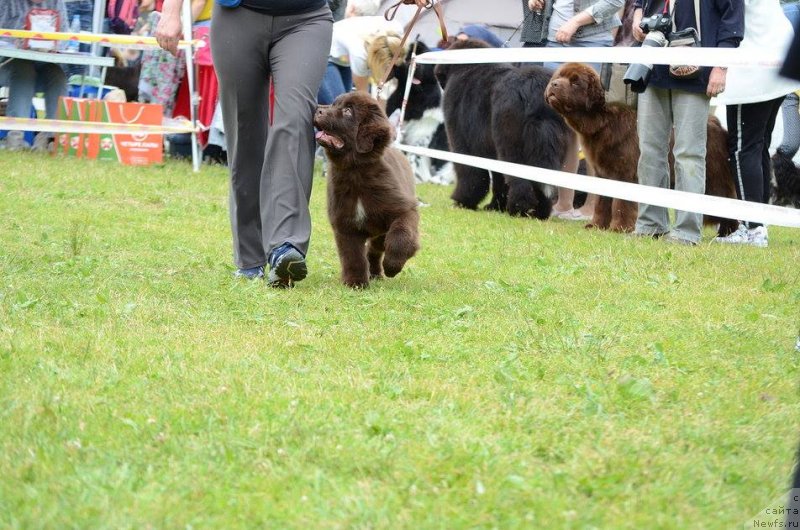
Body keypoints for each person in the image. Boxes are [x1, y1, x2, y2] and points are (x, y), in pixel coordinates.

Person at [155, 0, 427, 286]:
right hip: (238, 16)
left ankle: (286, 246)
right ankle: (250, 260)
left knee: (297, 120)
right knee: (245, 134)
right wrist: (172, 12)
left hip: (305, 18)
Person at [631, 0, 744, 245]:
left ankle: (686, 231)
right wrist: (637, 16)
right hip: (652, 66)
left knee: (689, 153)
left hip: (695, 68)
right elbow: (639, 3)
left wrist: (720, 67)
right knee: (649, 149)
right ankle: (650, 224)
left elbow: (732, 21)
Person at [713, 0, 800, 247]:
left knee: (743, 149)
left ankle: (753, 228)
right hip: (776, 65)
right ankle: (759, 224)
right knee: (758, 145)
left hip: (753, 71)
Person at [530, 0, 623, 221]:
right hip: (555, 42)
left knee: (592, 130)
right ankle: (563, 203)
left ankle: (593, 206)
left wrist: (575, 22)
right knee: (561, 128)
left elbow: (615, 1)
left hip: (592, 43)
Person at [0, 0, 69, 151]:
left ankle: (51, 139)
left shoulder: (57, 2)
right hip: (7, 62)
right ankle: (15, 138)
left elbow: (65, 37)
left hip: (43, 61)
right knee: (24, 69)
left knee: (57, 75)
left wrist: (55, 43)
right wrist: (18, 37)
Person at [318, 11, 403, 104]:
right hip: (322, 51)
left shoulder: (396, 31)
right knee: (338, 105)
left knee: (345, 102)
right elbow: (363, 98)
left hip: (342, 57)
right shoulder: (360, 55)